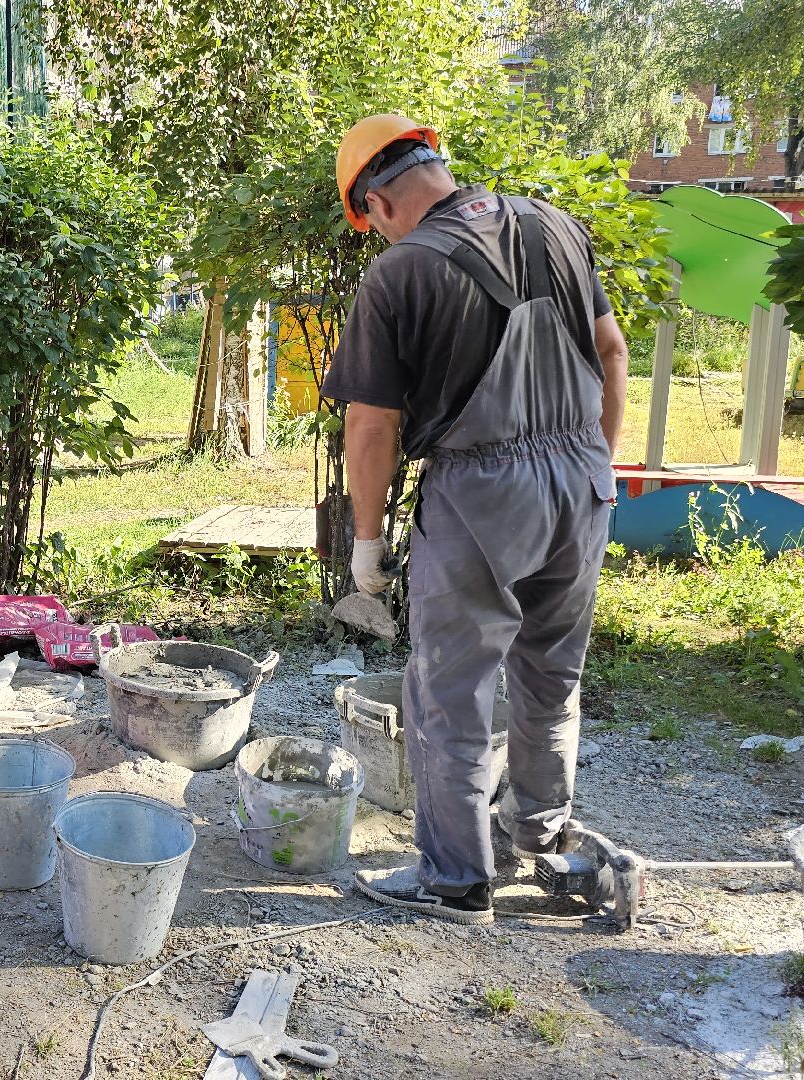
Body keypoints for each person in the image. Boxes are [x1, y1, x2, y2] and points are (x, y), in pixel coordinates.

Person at [321, 114, 629, 925]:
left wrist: (366, 544)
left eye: (370, 227)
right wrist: (594, 463)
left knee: (449, 691)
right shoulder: (555, 225)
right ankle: (538, 836)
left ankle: (457, 880)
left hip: (482, 491)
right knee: (550, 676)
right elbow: (613, 351)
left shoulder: (401, 273)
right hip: (582, 477)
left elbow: (372, 424)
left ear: (377, 204)